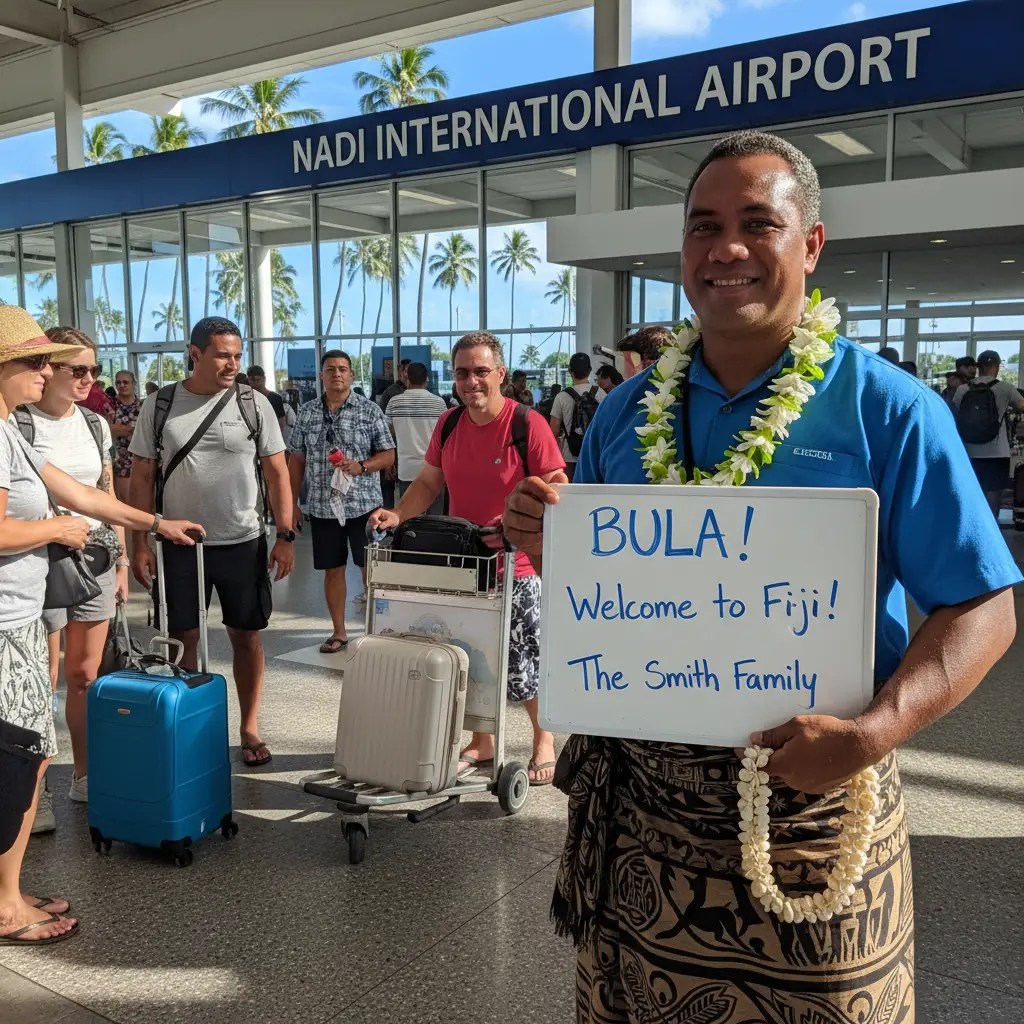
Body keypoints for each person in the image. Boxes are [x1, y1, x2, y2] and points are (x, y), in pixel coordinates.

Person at [503, 131, 1019, 1022]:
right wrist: (552, 542)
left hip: (817, 813)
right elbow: (619, 584)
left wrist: (873, 732)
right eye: (704, 226)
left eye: (757, 223)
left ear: (810, 244)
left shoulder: (890, 410)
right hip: (644, 829)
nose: (726, 249)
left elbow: (983, 605)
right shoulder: (626, 413)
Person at [0, 305, 200, 946]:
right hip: (6, 622)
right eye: (35, 361)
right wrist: (55, 530)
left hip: (22, 616)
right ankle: (5, 906)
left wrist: (153, 524)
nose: (47, 370)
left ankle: (8, 889)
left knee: (27, 756)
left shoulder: (11, 433)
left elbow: (84, 492)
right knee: (20, 758)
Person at [370, 331, 565, 785]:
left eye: (481, 371)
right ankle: (482, 741)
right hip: (463, 562)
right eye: (462, 373)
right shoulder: (450, 424)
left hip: (515, 565)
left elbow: (555, 484)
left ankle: (544, 738)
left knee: (522, 659)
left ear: (500, 373)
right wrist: (396, 515)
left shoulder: (526, 424)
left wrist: (519, 519)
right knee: (469, 654)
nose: (471, 381)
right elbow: (427, 484)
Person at [128, 317, 295, 768]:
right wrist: (139, 543)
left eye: (238, 356)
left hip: (243, 540)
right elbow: (142, 475)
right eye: (223, 355)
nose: (232, 364)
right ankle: (195, 727)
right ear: (195, 353)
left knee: (247, 634)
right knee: (184, 638)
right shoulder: (160, 405)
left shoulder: (252, 403)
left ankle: (249, 727)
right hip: (178, 542)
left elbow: (278, 472)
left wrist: (286, 534)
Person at [12, 327, 129, 812]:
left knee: (83, 675)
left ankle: (83, 774)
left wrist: (121, 557)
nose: (87, 379)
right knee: (41, 676)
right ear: (47, 367)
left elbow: (104, 494)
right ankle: (30, 793)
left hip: (94, 559)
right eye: (76, 369)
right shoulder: (18, 424)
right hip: (39, 561)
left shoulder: (95, 424)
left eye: (93, 370)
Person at [288, 350, 395, 654]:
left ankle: (375, 630)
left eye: (343, 369)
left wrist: (361, 466)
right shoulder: (308, 413)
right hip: (323, 507)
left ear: (351, 375)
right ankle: (339, 632)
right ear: (321, 376)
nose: (337, 374)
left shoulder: (369, 410)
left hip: (365, 506)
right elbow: (296, 460)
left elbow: (388, 455)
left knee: (368, 569)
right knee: (332, 570)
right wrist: (293, 503)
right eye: (331, 369)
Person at [952, 349, 1024, 518]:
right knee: (994, 493)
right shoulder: (1005, 388)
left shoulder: (962, 390)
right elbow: (1022, 405)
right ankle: (991, 529)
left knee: (971, 492)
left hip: (968, 451)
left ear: (979, 367)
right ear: (997, 367)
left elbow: (955, 414)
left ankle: (971, 528)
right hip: (997, 452)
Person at [384, 361, 447, 515]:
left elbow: (386, 436)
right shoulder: (439, 403)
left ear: (407, 378)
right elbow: (446, 437)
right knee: (436, 520)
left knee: (410, 520)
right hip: (434, 470)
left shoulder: (394, 402)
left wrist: (388, 462)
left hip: (407, 470)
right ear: (427, 379)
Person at [549, 352, 604, 482]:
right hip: (595, 455)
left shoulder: (561, 397)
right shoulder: (601, 394)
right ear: (590, 370)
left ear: (569, 371)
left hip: (570, 457)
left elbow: (553, 432)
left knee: (571, 496)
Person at [110, 369, 141, 505]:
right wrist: (136, 430)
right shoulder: (109, 405)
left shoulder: (143, 406)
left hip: (142, 461)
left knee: (144, 505)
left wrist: (125, 429)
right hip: (120, 462)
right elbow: (107, 429)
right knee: (125, 504)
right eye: (118, 382)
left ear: (134, 384)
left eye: (125, 382)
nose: (122, 385)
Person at [246, 365, 287, 433]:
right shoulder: (245, 398)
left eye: (258, 380)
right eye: (252, 380)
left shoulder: (275, 398)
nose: (256, 383)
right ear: (248, 380)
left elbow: (281, 423)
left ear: (264, 378)